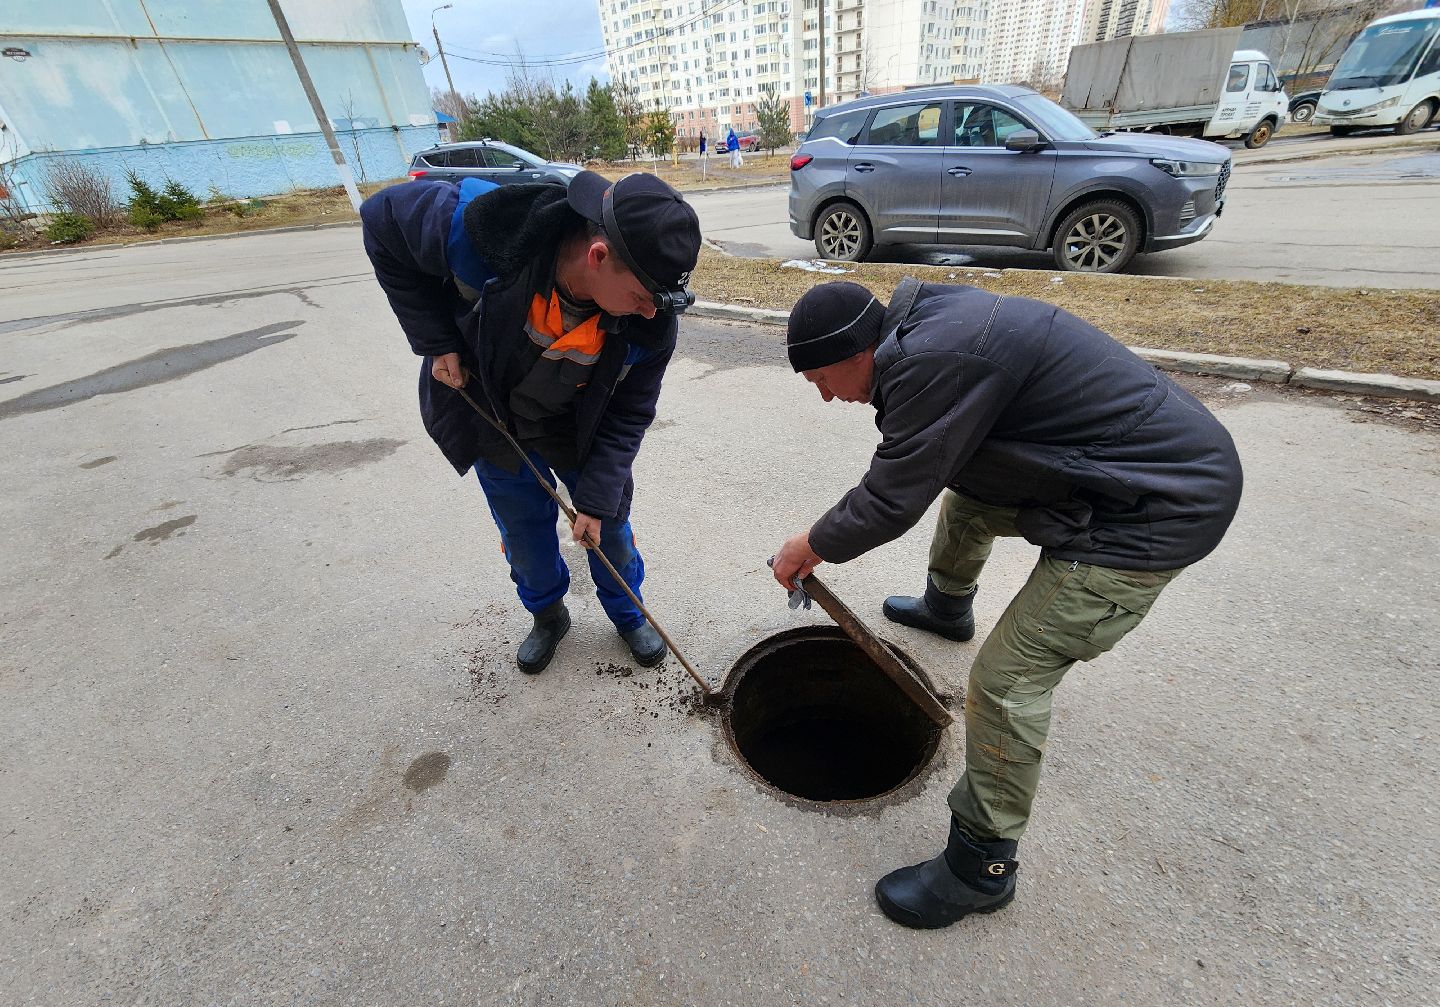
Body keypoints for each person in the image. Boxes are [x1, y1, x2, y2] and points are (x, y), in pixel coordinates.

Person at [770, 278, 1243, 930]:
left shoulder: (936, 361)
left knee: (1005, 682)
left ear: (857, 352)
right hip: (1116, 469)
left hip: (1155, 509)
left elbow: (890, 497)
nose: (824, 396)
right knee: (969, 498)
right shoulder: (920, 335)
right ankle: (947, 606)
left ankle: (980, 868)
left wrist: (809, 545)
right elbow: (934, 462)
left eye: (821, 378)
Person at [360, 171, 701, 675]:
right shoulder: (486, 231)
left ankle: (629, 613)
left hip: (577, 431)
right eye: (641, 295)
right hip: (497, 421)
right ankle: (547, 613)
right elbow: (380, 219)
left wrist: (595, 501)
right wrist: (436, 339)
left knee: (610, 529)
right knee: (523, 536)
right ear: (598, 256)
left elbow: (629, 414)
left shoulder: (650, 325)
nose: (651, 312)